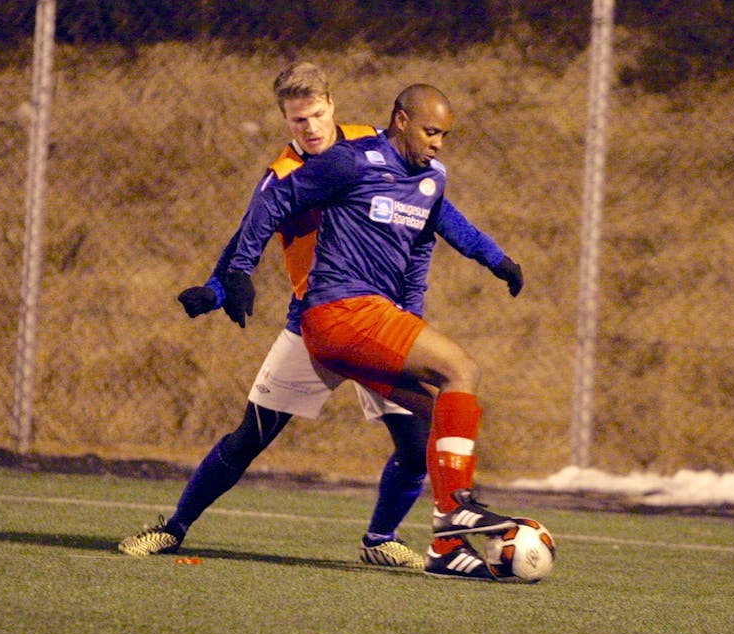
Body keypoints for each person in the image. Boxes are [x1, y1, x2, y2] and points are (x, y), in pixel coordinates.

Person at [118, 63, 523, 571]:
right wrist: (222, 286)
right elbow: (252, 227)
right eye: (296, 121)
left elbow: (435, 213)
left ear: (332, 106)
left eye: (314, 115)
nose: (308, 128)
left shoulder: (376, 149)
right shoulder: (291, 173)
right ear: (285, 123)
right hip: (315, 318)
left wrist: (492, 258)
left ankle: (384, 537)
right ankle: (172, 528)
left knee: (418, 438)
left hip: (376, 321)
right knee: (251, 437)